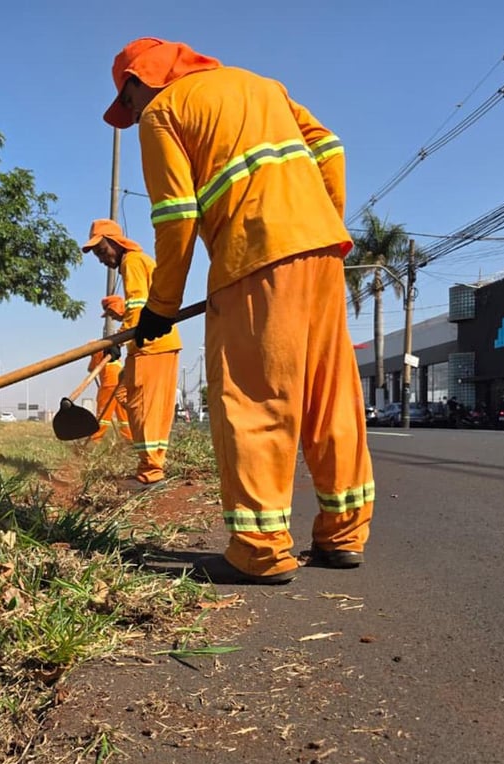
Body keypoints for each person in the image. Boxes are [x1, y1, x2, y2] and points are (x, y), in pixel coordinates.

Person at [101, 37, 374, 585]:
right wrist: (320, 219)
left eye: (126, 102)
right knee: (328, 393)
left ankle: (260, 548)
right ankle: (343, 532)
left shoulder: (164, 113)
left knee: (255, 396)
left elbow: (176, 216)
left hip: (253, 257)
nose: (130, 115)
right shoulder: (261, 85)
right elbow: (330, 147)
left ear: (140, 80)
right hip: (322, 250)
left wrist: (161, 304)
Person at [81, 218, 181, 490]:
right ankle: (150, 467)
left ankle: (151, 474)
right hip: (155, 344)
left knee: (143, 409)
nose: (102, 259)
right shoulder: (137, 262)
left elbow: (136, 307)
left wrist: (118, 340)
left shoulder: (132, 262)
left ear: (114, 242)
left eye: (102, 251)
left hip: (151, 346)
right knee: (146, 409)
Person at [87, 296, 133, 444]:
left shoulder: (99, 348)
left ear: (115, 308)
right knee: (124, 414)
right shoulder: (125, 327)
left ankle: (94, 441)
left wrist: (91, 351)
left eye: (111, 314)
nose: (112, 318)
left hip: (108, 383)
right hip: (121, 379)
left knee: (103, 414)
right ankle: (130, 440)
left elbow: (92, 369)